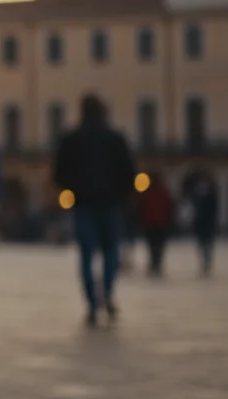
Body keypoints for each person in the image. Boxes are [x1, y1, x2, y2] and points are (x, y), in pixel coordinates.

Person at [53, 94, 137, 325]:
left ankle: (91, 301)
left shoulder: (71, 139)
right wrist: (122, 193)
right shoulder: (115, 138)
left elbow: (59, 174)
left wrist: (73, 187)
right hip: (110, 203)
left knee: (87, 253)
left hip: (84, 204)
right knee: (111, 250)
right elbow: (129, 172)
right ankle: (108, 291)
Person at [137, 174, 175, 277]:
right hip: (161, 223)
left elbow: (141, 208)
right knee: (160, 245)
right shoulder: (164, 193)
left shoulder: (147, 194)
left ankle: (154, 262)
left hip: (150, 224)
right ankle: (157, 263)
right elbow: (170, 207)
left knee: (152, 245)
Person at [189, 178, 220, 276]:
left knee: (207, 245)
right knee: (203, 245)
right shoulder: (198, 198)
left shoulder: (209, 198)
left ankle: (206, 261)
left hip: (207, 226)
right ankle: (205, 261)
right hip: (202, 226)